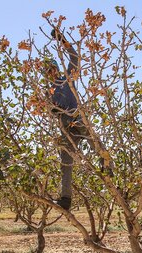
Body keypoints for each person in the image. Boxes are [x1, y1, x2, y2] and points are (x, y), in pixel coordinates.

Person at [44, 27, 93, 210]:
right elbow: (51, 111)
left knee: (94, 143)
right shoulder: (49, 92)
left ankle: (107, 166)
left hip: (77, 118)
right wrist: (54, 110)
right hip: (66, 128)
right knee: (65, 161)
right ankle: (66, 199)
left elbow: (74, 58)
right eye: (47, 70)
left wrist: (62, 39)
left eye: (52, 68)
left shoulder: (67, 78)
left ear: (56, 68)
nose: (50, 72)